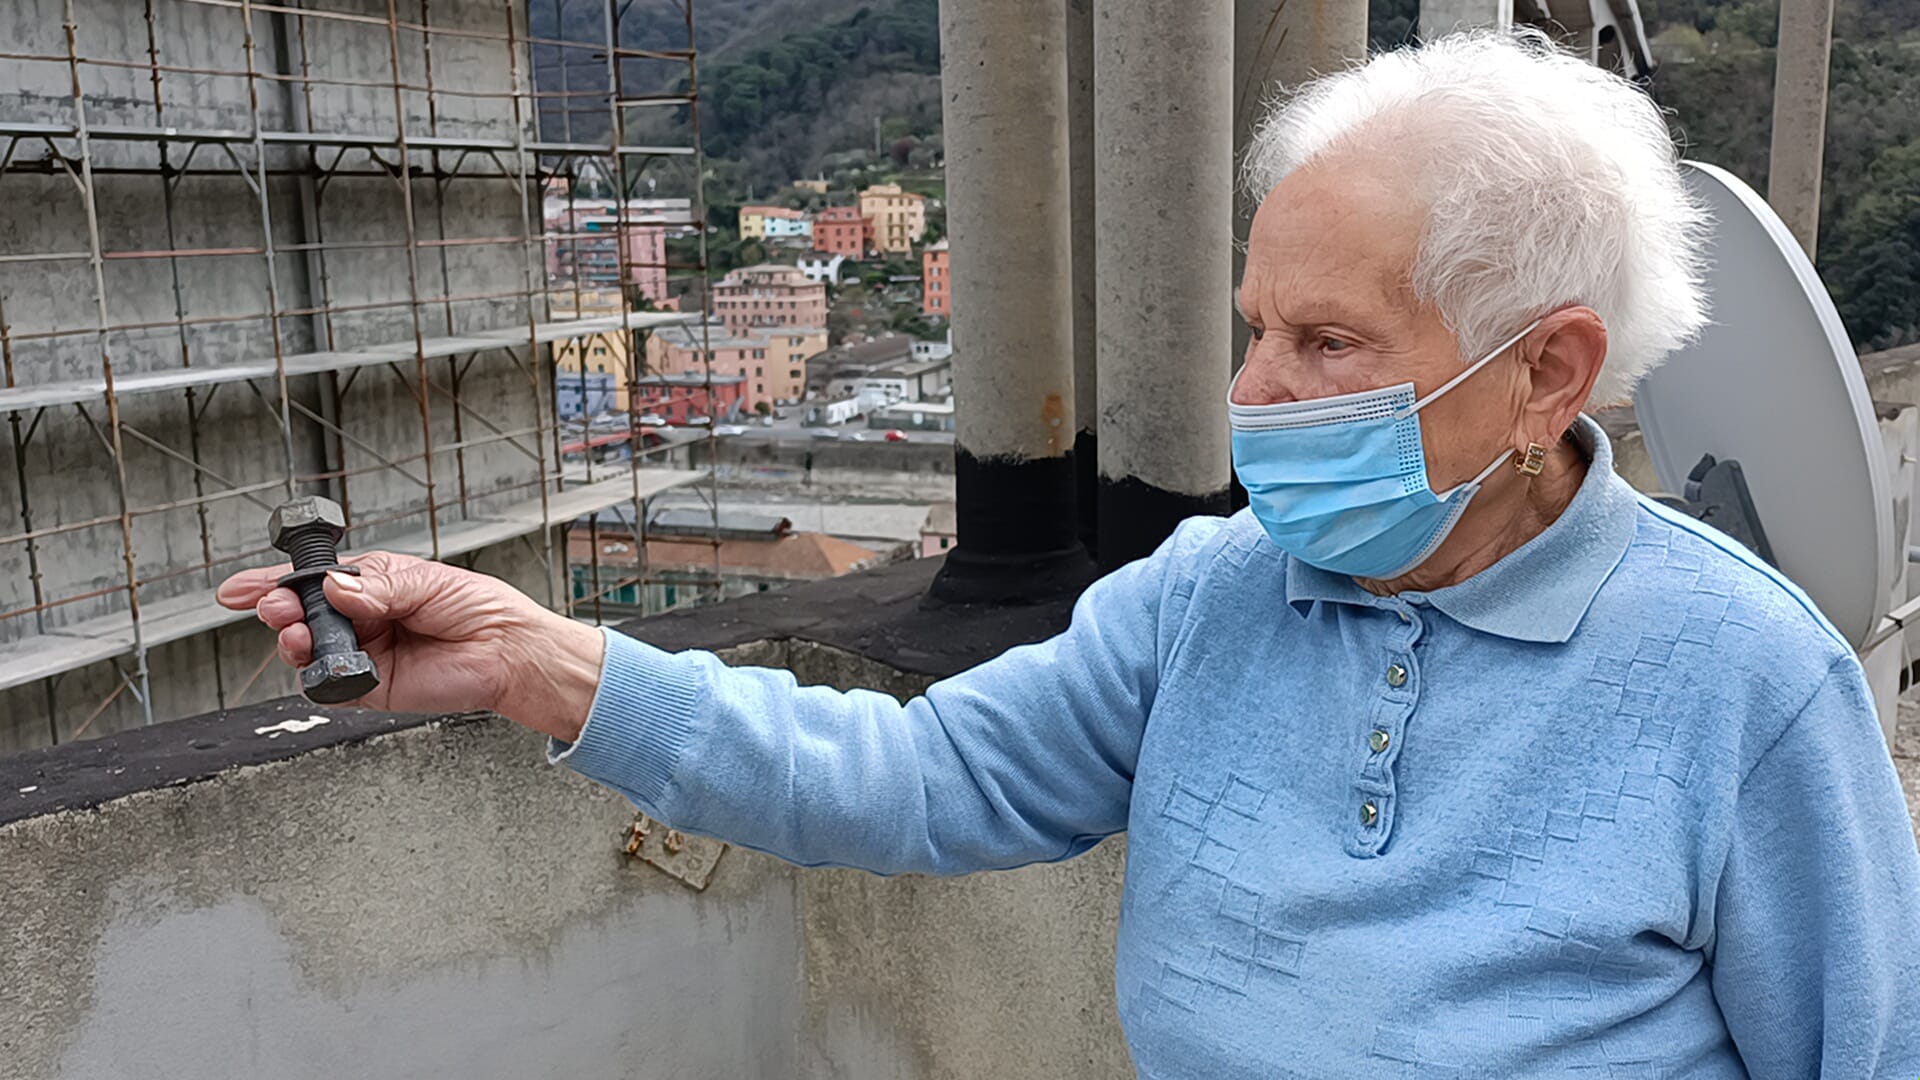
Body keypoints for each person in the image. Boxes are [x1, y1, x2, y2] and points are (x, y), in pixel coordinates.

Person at [219, 31, 1920, 1078]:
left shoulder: (1746, 687)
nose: (1250, 396)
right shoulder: (1214, 595)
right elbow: (912, 778)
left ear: (1548, 370)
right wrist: (540, 661)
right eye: (1251, 328)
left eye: (1325, 344)